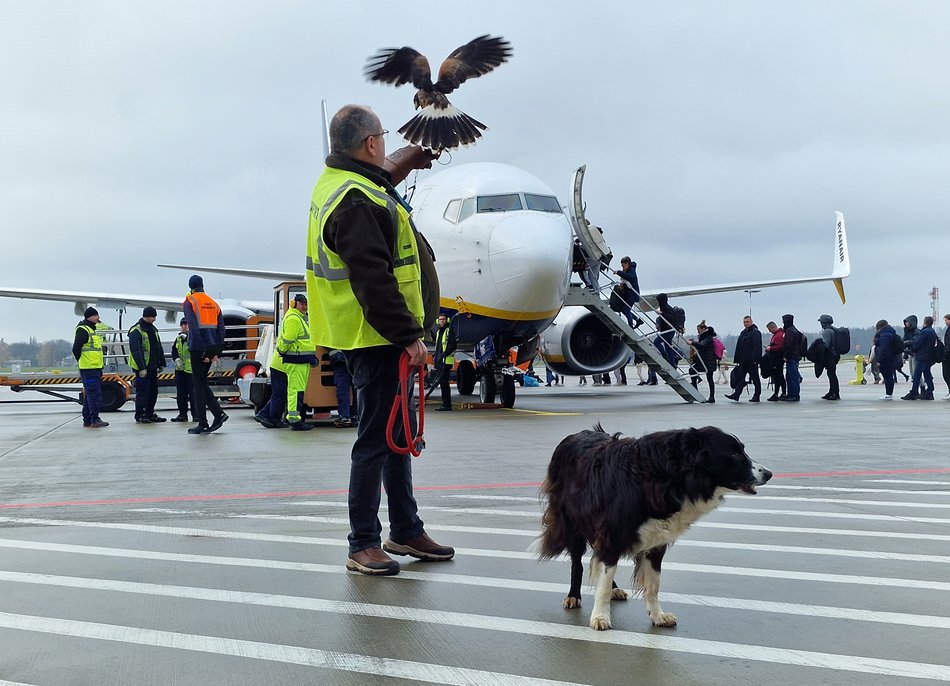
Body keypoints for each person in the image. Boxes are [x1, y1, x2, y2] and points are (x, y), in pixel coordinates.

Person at [306, 104, 453, 576]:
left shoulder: (351, 185)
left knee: (394, 437)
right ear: (371, 143)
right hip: (376, 338)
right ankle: (363, 543)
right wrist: (410, 337)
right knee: (375, 441)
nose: (386, 145)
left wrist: (408, 158)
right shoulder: (354, 200)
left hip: (376, 337)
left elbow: (379, 184)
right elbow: (374, 280)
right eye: (385, 138)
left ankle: (406, 529)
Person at [182, 274, 228, 434]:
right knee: (201, 382)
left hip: (198, 348)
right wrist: (216, 350)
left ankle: (203, 422)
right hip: (213, 346)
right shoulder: (214, 303)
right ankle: (218, 413)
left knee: (198, 385)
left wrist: (201, 349)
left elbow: (193, 328)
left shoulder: (190, 302)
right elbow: (222, 328)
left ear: (190, 287)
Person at [278, 294, 317, 430]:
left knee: (298, 390)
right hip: (296, 360)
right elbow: (288, 339)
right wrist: (281, 350)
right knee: (295, 390)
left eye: (306, 304)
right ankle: (294, 420)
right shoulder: (294, 319)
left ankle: (295, 418)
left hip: (301, 360)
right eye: (302, 304)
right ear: (294, 303)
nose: (305, 307)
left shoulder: (299, 318)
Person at [128, 306, 167, 423]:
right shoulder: (136, 330)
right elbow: (136, 350)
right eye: (153, 316)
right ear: (147, 316)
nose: (154, 319)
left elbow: (158, 347)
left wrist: (161, 363)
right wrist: (141, 367)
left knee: (153, 392)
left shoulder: (153, 330)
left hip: (153, 366)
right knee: (142, 392)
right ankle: (140, 415)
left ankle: (149, 413)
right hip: (143, 367)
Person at [72, 307, 109, 428]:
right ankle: (94, 419)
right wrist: (82, 360)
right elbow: (76, 348)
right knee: (94, 395)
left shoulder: (91, 330)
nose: (98, 318)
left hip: (95, 367)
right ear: (89, 317)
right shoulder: (83, 330)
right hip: (89, 368)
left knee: (90, 394)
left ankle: (88, 419)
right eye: (95, 316)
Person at [726, 315, 763, 402]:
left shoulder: (756, 332)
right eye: (744, 322)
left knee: (755, 379)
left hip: (752, 361)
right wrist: (737, 359)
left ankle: (757, 395)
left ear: (751, 322)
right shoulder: (743, 333)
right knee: (740, 378)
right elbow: (739, 347)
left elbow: (757, 347)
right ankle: (736, 394)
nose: (746, 324)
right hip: (743, 361)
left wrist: (756, 360)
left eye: (747, 322)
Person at [903, 315, 937, 400]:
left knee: (916, 375)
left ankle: (914, 392)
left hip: (922, 356)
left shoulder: (925, 332)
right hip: (928, 356)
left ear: (924, 322)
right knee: (927, 374)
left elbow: (917, 343)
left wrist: (909, 348)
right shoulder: (932, 331)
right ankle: (929, 392)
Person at [169, 318, 196, 422]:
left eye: (186, 324)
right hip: (180, 370)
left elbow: (196, 348)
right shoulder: (179, 338)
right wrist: (176, 359)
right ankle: (182, 415)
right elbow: (174, 350)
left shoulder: (194, 337)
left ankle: (196, 415)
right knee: (181, 394)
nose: (184, 326)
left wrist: (188, 338)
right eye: (182, 324)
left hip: (191, 370)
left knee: (193, 394)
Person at [687, 320, 718, 403]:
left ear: (703, 329)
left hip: (708, 362)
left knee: (709, 378)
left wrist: (693, 342)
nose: (698, 332)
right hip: (705, 361)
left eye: (698, 330)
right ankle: (696, 391)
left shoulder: (707, 338)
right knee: (692, 370)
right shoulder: (705, 337)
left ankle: (711, 397)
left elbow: (702, 345)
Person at [432, 313, 457, 411]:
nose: (442, 321)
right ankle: (445, 404)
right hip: (440, 361)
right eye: (440, 319)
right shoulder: (439, 332)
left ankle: (446, 405)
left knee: (444, 383)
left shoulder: (448, 330)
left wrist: (444, 354)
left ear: (447, 320)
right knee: (442, 383)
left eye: (443, 319)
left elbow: (452, 345)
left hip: (445, 361)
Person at [873, 319, 901, 400]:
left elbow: (883, 349)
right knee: (889, 376)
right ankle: (889, 394)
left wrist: (879, 361)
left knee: (888, 377)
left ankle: (889, 394)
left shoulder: (884, 335)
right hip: (891, 357)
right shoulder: (890, 333)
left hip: (886, 359)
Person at [654, 293, 683, 368]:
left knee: (656, 342)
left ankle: (665, 356)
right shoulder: (666, 307)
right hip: (669, 331)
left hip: (668, 331)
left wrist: (661, 314)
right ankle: (672, 363)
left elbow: (671, 318)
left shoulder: (666, 308)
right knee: (668, 347)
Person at [329, 349, 357, 427]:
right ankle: (355, 415)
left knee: (343, 387)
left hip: (339, 357)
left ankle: (345, 417)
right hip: (354, 355)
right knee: (356, 386)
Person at [612, 256, 641, 328]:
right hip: (629, 294)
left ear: (627, 263)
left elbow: (630, 277)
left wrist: (618, 272)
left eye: (623, 265)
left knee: (626, 310)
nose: (622, 267)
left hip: (632, 295)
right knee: (624, 309)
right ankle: (637, 320)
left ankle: (630, 326)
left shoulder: (631, 270)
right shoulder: (629, 270)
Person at [780, 314, 803, 401]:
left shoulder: (790, 331)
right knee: (790, 376)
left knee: (792, 377)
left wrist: (786, 356)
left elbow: (789, 346)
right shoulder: (793, 330)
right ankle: (791, 394)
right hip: (794, 356)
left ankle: (794, 395)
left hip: (791, 357)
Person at [818, 314, 841, 401]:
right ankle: (832, 392)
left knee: (831, 375)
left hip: (831, 355)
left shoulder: (827, 331)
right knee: (831, 374)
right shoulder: (833, 330)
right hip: (835, 354)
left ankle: (835, 393)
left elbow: (826, 345)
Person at [764, 321, 785, 401]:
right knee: (780, 376)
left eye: (769, 329)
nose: (769, 331)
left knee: (777, 377)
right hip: (778, 359)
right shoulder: (779, 334)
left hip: (777, 359)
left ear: (773, 327)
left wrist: (770, 348)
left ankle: (776, 394)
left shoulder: (778, 336)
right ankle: (783, 392)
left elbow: (779, 347)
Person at [943, 314, 950, 397]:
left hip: (948, 355)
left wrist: (945, 354)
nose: (945, 322)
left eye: (946, 320)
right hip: (947, 354)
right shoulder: (948, 329)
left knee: (946, 374)